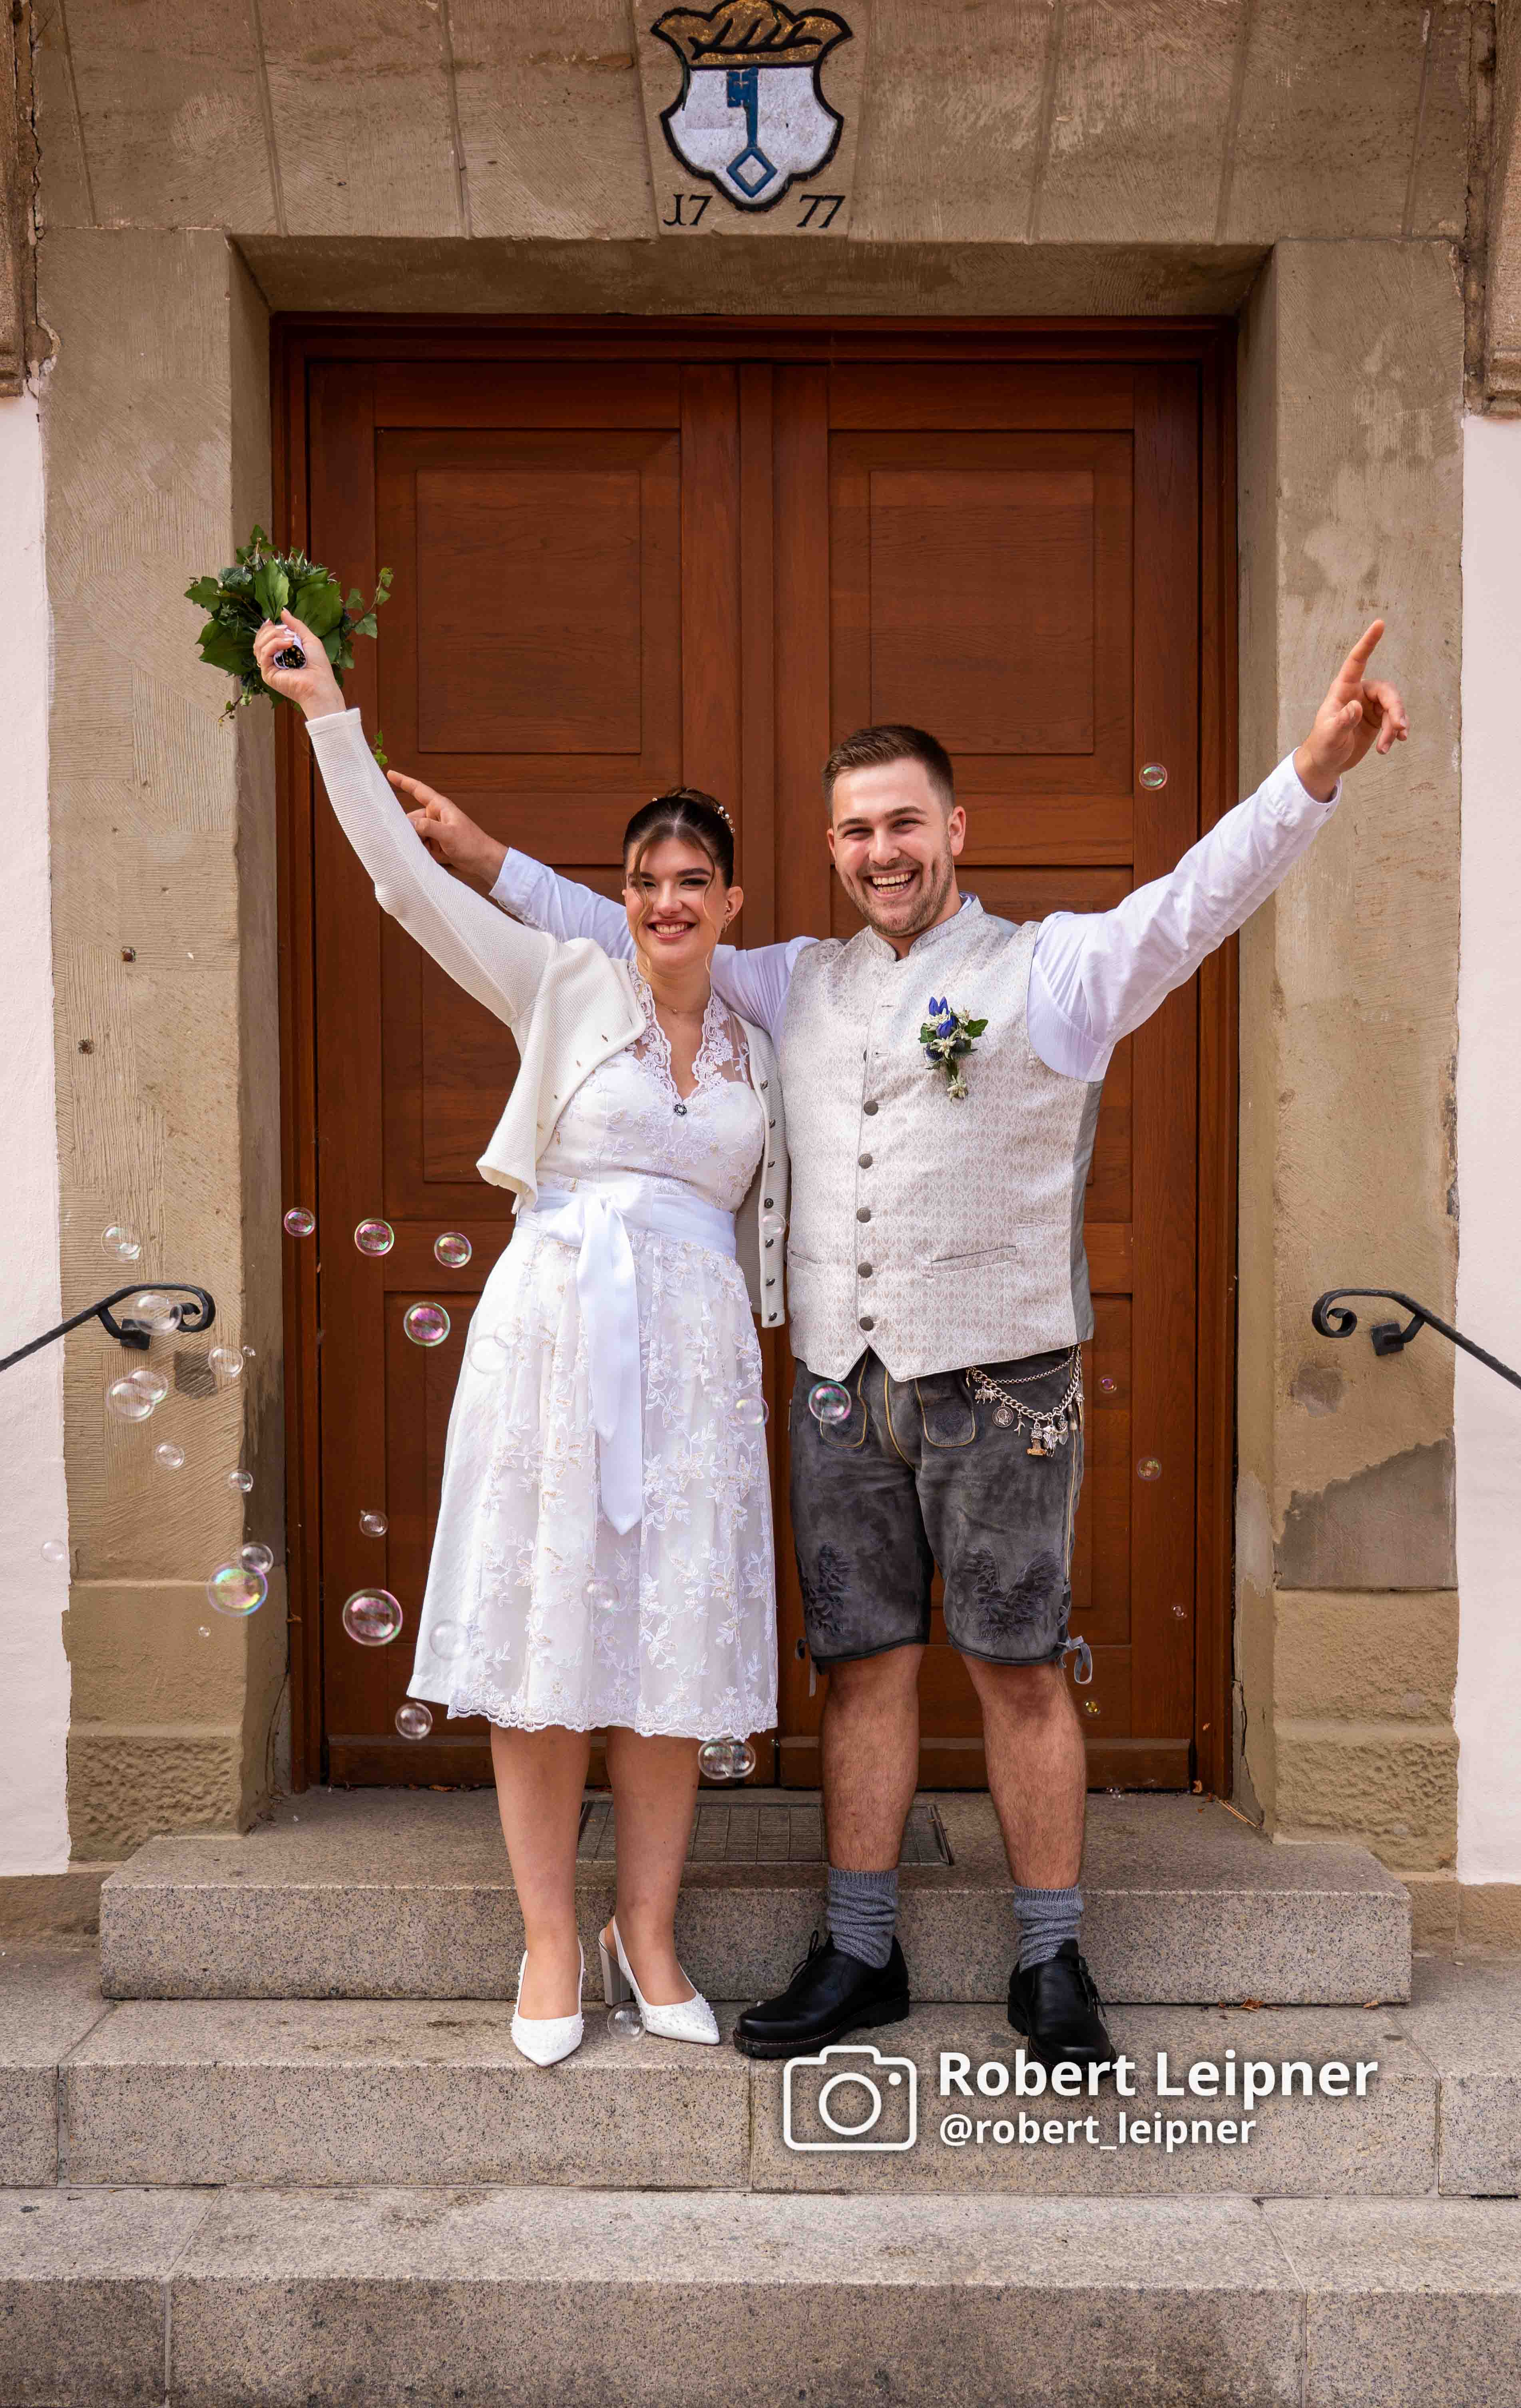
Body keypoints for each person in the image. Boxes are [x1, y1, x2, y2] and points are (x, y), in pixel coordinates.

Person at [392, 619, 1409, 2071]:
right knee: (859, 1668)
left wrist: (1308, 775)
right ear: (828, 845)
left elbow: (1193, 902)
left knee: (1015, 1665)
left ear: (955, 830)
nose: (882, 850)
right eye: (857, 830)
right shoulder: (789, 980)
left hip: (1002, 1380)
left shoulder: (1057, 971)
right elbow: (614, 925)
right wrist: (484, 856)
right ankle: (858, 1949)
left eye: (905, 824)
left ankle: (1051, 1963)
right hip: (837, 1389)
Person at [251, 610, 788, 2068]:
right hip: (557, 1337)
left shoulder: (759, 1048)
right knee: (552, 1635)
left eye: (691, 881)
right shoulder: (560, 984)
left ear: (731, 903)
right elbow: (406, 887)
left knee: (668, 1647)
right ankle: (553, 1935)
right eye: (641, 882)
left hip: (694, 1365)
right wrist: (329, 718)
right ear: (617, 901)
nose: (665, 901)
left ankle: (649, 1931)